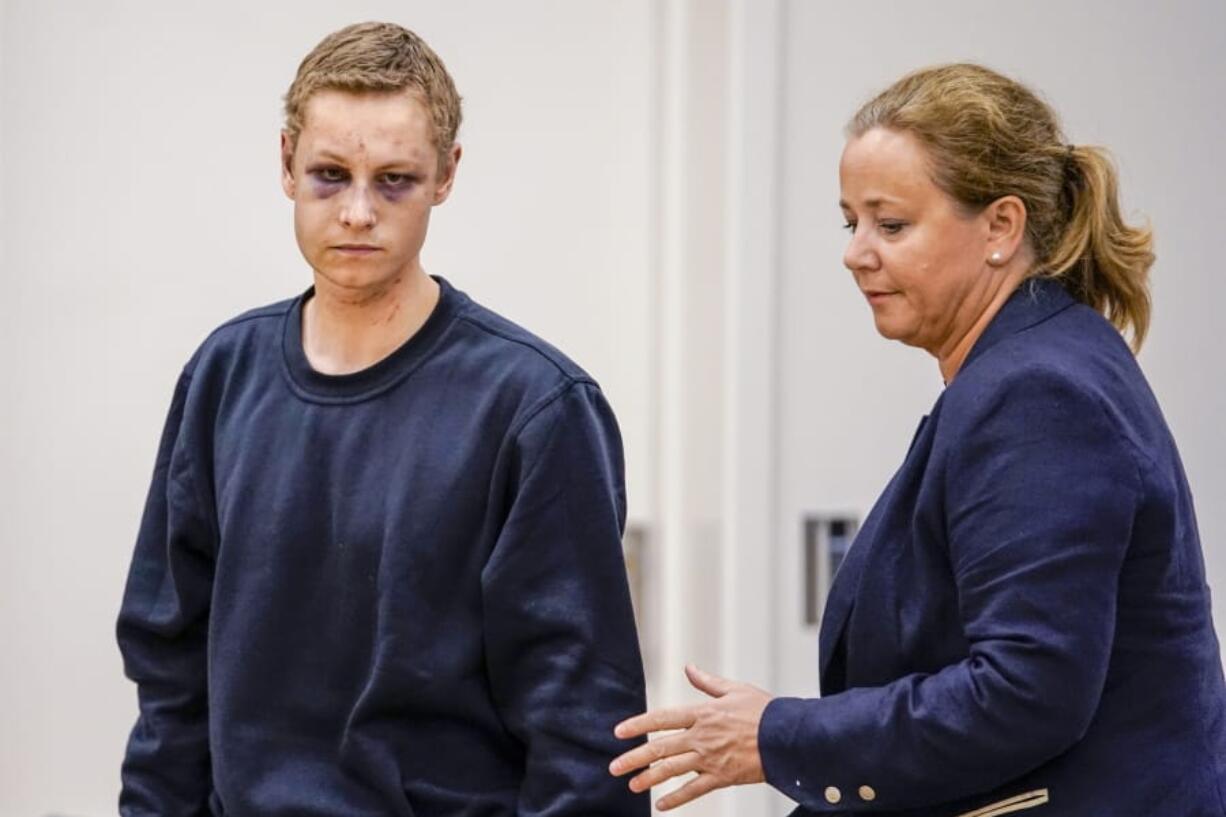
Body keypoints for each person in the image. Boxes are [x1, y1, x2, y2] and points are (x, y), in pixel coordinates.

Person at [610, 63, 1226, 816]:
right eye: (851, 221)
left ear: (1001, 226)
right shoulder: (1036, 359)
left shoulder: (1037, 392)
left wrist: (777, 734)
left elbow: (1025, 692)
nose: (856, 251)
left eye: (891, 224)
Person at [116, 21, 648, 817]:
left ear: (446, 175)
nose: (359, 211)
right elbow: (170, 683)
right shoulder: (224, 378)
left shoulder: (535, 407)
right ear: (285, 163)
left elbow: (582, 729)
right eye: (330, 175)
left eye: (394, 179)